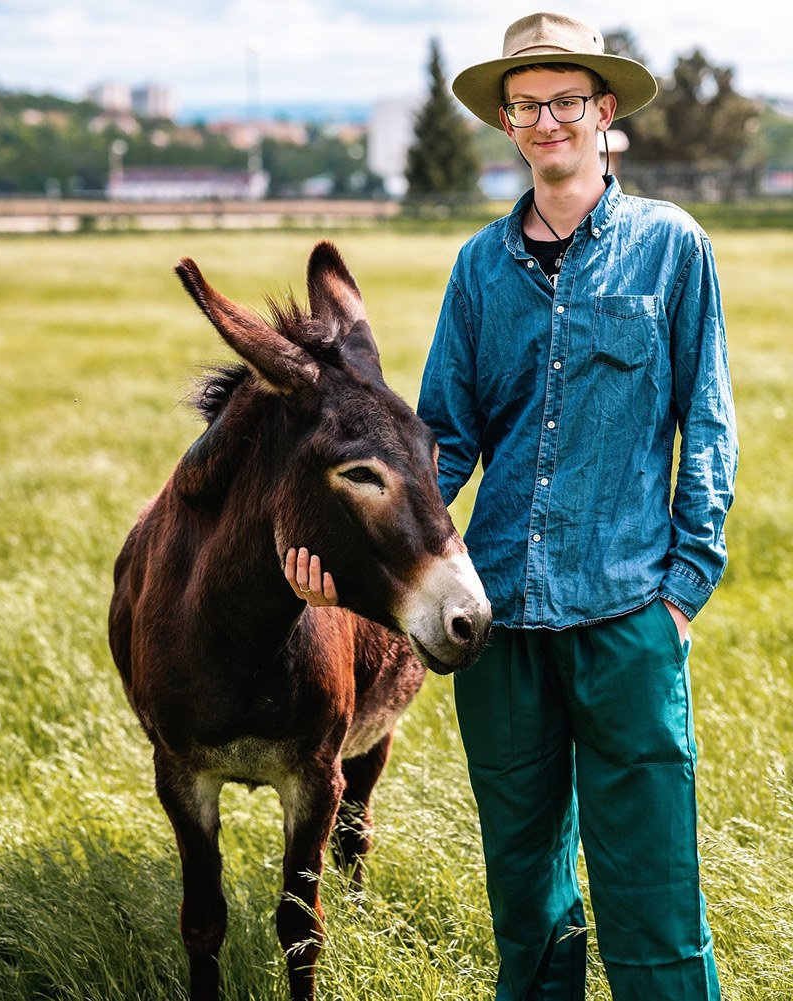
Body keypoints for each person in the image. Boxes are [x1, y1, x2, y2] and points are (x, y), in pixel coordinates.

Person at [286, 11, 737, 1000]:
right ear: (504, 120)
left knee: (651, 892)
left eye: (564, 100)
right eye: (525, 105)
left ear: (602, 110)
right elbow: (440, 439)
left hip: (627, 618)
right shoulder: (479, 270)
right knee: (527, 901)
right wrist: (353, 555)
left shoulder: (670, 248)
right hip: (502, 631)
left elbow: (704, 425)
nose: (545, 121)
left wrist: (680, 592)